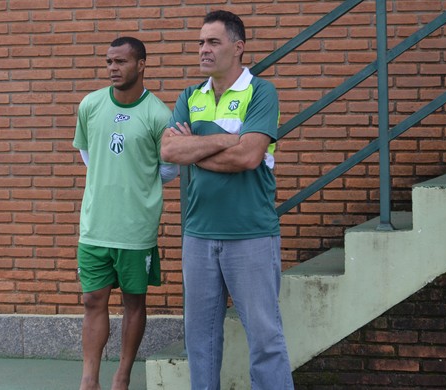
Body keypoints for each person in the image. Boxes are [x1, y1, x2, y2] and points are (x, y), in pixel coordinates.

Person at [160, 10, 294, 390]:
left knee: (266, 340)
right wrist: (225, 139)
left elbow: (249, 157)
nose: (204, 49)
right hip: (198, 235)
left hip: (251, 235)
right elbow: (169, 151)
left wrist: (196, 147)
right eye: (201, 42)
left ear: (238, 47)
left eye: (213, 42)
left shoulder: (261, 92)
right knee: (200, 341)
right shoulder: (191, 95)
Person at [73, 36, 177, 390]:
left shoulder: (159, 115)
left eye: (121, 62)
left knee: (134, 302)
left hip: (135, 229)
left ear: (141, 64)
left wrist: (135, 186)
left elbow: (168, 170)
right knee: (92, 300)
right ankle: (89, 380)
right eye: (109, 62)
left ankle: (122, 376)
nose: (113, 69)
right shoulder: (90, 105)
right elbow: (89, 155)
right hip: (94, 225)